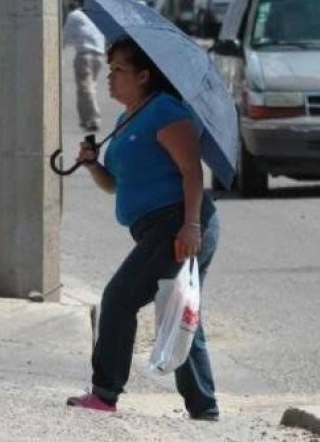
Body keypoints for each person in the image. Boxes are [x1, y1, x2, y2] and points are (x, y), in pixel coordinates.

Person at [67, 35, 220, 421]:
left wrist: (190, 226)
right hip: (158, 226)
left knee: (119, 299)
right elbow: (115, 185)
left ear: (144, 76)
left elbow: (191, 173)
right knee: (179, 308)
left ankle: (105, 392)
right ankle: (204, 408)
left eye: (119, 70)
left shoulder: (166, 111)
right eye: (110, 69)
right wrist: (92, 165)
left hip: (177, 222)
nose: (110, 77)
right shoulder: (126, 120)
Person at [62, 0, 106, 132]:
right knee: (88, 87)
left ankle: (93, 118)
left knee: (86, 88)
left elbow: (65, 37)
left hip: (85, 55)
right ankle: (85, 119)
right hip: (99, 54)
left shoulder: (75, 15)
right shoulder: (94, 15)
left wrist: (58, 52)